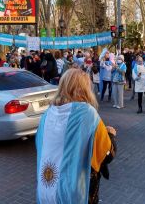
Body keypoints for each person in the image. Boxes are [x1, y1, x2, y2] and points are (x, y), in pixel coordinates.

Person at [36, 69, 117, 204]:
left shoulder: (48, 114)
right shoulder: (87, 114)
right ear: (85, 88)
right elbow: (107, 154)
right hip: (75, 191)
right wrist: (110, 134)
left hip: (46, 189)